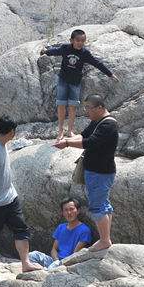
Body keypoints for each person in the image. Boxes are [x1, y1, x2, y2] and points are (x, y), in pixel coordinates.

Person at [0, 116, 45, 287]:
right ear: (12, 132)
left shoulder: (3, 144)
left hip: (10, 197)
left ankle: (26, 263)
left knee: (21, 229)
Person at [55, 94, 118, 251]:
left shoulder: (108, 125)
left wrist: (67, 143)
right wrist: (66, 140)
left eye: (89, 108)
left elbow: (90, 142)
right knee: (103, 204)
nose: (86, 111)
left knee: (97, 206)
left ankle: (105, 240)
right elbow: (84, 135)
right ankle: (106, 238)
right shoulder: (97, 121)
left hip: (101, 172)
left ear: (100, 107)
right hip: (95, 171)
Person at [39, 29, 117, 140]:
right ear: (72, 40)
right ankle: (60, 131)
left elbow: (97, 63)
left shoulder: (85, 53)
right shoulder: (66, 48)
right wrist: (46, 51)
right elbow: (55, 51)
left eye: (83, 41)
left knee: (72, 106)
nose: (80, 43)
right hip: (63, 81)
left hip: (75, 83)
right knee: (61, 105)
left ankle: (70, 131)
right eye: (78, 40)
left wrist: (110, 74)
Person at [27, 197, 93, 268]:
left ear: (78, 211)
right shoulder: (61, 227)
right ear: (63, 213)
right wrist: (56, 261)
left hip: (69, 263)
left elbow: (75, 254)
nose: (69, 213)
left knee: (50, 268)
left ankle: (45, 270)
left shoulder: (84, 230)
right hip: (55, 261)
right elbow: (54, 249)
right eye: (66, 210)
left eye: (71, 209)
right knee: (32, 255)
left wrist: (60, 265)